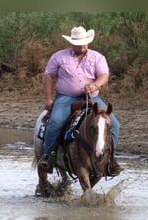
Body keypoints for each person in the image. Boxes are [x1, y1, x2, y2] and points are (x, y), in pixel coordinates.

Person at [38, 26, 123, 176]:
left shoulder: (97, 57)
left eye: (85, 42)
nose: (83, 45)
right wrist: (49, 99)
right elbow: (48, 76)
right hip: (66, 97)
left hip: (92, 97)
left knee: (114, 124)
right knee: (56, 121)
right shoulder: (59, 57)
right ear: (72, 43)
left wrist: (95, 85)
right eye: (79, 43)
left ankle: (111, 160)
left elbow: (104, 75)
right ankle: (48, 156)